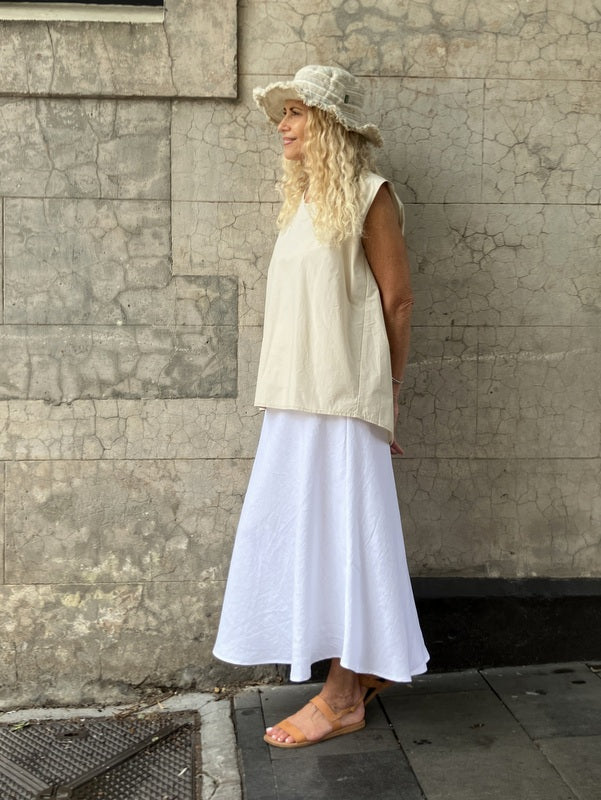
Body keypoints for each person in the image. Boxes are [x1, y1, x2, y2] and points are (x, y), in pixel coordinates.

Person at [213, 65, 429, 748]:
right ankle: (358, 669)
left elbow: (398, 301)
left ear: (329, 124)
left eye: (296, 112)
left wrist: (387, 396)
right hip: (293, 398)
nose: (282, 124)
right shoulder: (306, 202)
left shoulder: (371, 196)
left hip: (343, 400)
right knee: (305, 535)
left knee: (348, 537)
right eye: (283, 113)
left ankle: (342, 697)